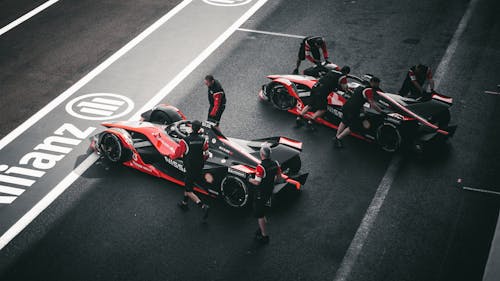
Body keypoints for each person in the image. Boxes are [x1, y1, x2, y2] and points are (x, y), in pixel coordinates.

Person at [171, 120, 210, 220]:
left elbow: (177, 154)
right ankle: (184, 203)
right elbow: (207, 154)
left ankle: (202, 206)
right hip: (199, 166)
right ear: (200, 129)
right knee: (188, 183)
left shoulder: (185, 141)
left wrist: (170, 156)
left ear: (192, 128)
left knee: (188, 190)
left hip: (190, 167)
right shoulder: (203, 140)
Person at [295, 66, 350, 130]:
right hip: (322, 92)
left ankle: (299, 118)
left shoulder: (332, 71)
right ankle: (310, 122)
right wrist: (347, 90)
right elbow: (345, 88)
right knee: (323, 109)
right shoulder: (342, 76)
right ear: (346, 73)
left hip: (315, 87)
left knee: (310, 105)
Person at [334, 77, 383, 148]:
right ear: (374, 83)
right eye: (377, 84)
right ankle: (339, 138)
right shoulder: (368, 90)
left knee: (344, 121)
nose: (378, 85)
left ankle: (336, 136)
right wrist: (381, 111)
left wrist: (362, 108)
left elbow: (358, 98)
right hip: (353, 109)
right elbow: (372, 104)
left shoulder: (361, 86)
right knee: (353, 126)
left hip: (347, 105)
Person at [249, 145, 282, 244]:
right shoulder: (276, 163)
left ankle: (264, 235)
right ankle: (262, 227)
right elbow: (279, 177)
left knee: (260, 214)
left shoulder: (260, 167)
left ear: (262, 154)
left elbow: (257, 182)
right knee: (263, 209)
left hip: (260, 193)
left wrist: (249, 179)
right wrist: (270, 181)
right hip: (269, 191)